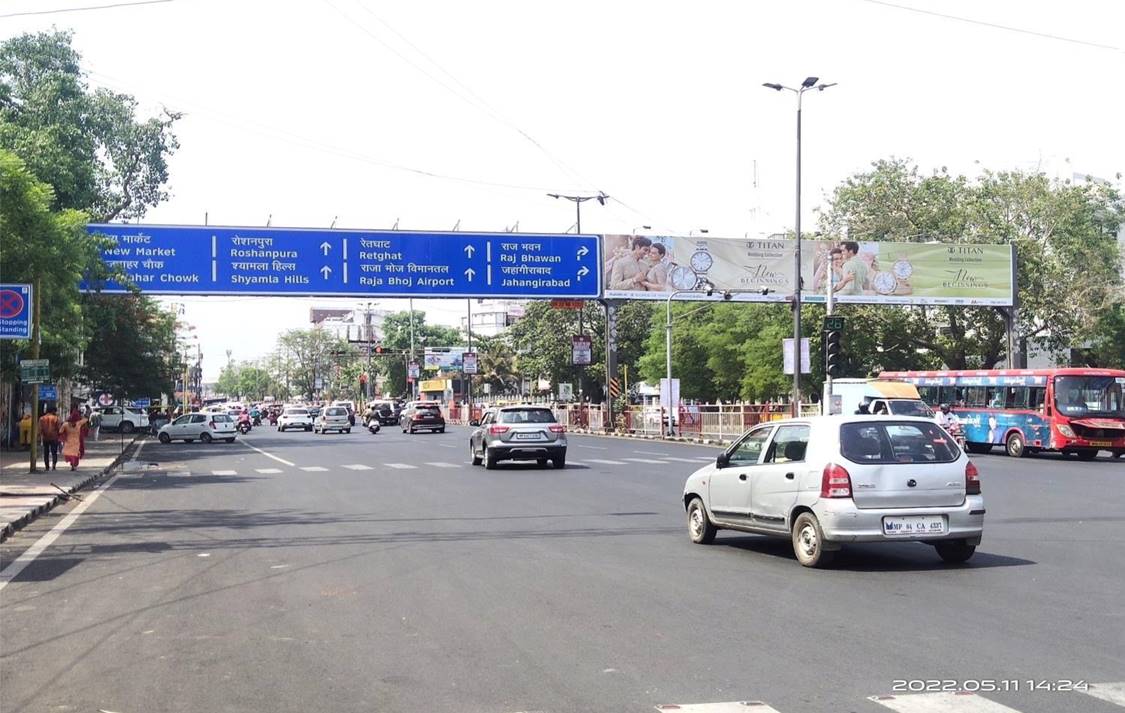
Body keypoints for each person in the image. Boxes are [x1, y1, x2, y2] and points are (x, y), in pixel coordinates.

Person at [38, 405, 62, 471]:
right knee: (54, 452)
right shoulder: (56, 418)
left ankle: (47, 466)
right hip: (54, 438)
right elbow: (59, 429)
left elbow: (40, 429)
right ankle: (54, 466)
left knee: (46, 452)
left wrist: (40, 437)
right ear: (53, 411)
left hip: (45, 438)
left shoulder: (42, 418)